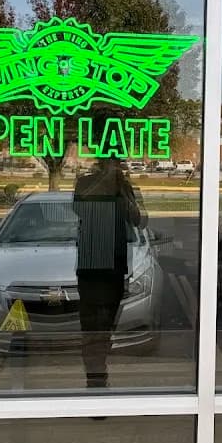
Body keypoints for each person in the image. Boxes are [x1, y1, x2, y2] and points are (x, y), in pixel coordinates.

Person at [72, 158, 144, 389]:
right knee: (91, 326)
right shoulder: (85, 183)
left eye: (119, 165)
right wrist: (105, 181)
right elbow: (78, 207)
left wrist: (123, 192)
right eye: (113, 164)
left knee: (107, 325)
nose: (117, 168)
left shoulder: (125, 187)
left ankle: (99, 365)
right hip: (91, 264)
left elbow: (139, 221)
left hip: (115, 265)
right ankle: (95, 377)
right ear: (102, 164)